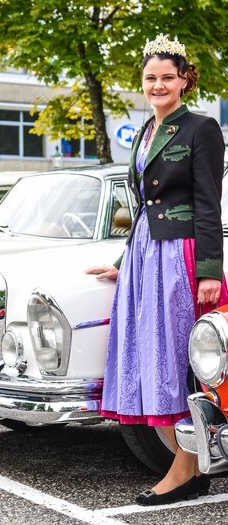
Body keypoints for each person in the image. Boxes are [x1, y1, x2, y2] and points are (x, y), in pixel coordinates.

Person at [86, 34, 228, 505]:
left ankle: (185, 468)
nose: (159, 84)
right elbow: (144, 209)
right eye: (151, 78)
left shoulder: (201, 128)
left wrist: (209, 269)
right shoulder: (147, 132)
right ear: (142, 83)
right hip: (148, 253)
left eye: (168, 76)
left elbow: (208, 204)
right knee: (154, 355)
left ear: (185, 80)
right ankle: (188, 462)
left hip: (181, 254)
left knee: (176, 357)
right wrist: (125, 263)